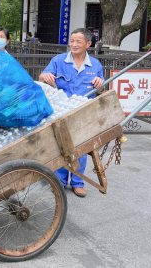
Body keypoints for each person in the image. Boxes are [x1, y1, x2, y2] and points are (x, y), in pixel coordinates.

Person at [39, 28, 104, 198]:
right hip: (61, 111)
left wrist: (100, 83)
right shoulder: (59, 60)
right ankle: (59, 182)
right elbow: (42, 76)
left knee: (81, 148)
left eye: (78, 41)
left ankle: (78, 182)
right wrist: (45, 76)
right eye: (72, 40)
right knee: (60, 147)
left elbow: (101, 88)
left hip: (83, 114)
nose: (73, 44)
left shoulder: (95, 65)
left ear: (88, 44)